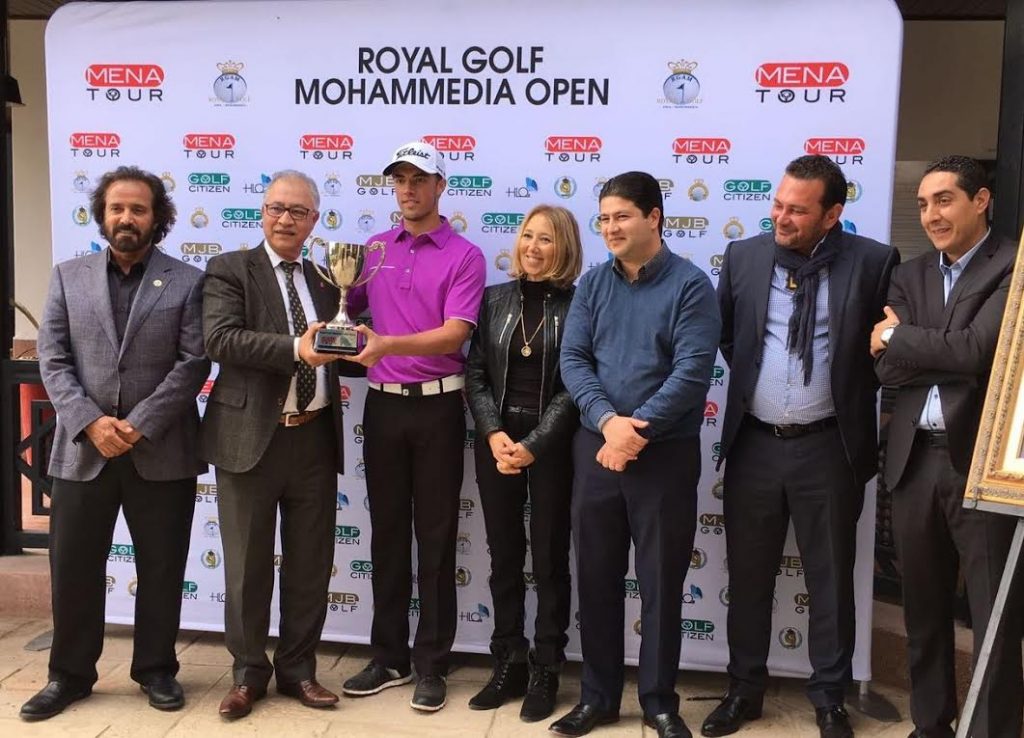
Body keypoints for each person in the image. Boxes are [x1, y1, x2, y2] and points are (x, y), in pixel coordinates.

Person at [705, 155, 898, 738]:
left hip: (829, 448)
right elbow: (729, 336)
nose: (781, 217)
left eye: (797, 209)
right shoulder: (744, 257)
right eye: (778, 204)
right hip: (756, 445)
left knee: (831, 579)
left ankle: (829, 698)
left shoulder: (873, 262)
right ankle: (744, 691)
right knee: (750, 576)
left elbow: (884, 346)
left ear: (833, 213)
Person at [24, 166, 209, 721]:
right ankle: (70, 675)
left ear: (159, 218)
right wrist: (91, 422)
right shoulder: (67, 276)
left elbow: (193, 361)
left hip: (159, 450)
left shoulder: (186, 280)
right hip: (83, 450)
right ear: (102, 214)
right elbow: (51, 357)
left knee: (161, 566)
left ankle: (156, 670)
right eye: (117, 209)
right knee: (75, 568)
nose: (127, 218)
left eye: (139, 209)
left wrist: (138, 424)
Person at [555, 171, 720, 738]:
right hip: (595, 452)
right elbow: (574, 361)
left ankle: (658, 701)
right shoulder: (593, 285)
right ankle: (598, 698)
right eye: (603, 218)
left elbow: (693, 371)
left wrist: (634, 432)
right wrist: (608, 424)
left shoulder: (692, 285)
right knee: (596, 579)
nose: (610, 228)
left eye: (621, 216)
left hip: (664, 458)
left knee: (659, 583)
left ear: (654, 217)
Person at [872, 155, 1023, 738]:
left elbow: (976, 353)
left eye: (943, 200)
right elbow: (886, 373)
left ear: (980, 200)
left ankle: (990, 731)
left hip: (980, 466)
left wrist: (897, 337)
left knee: (993, 615)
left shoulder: (1012, 266)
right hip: (913, 463)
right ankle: (931, 724)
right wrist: (913, 350)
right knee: (924, 610)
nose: (930, 214)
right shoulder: (908, 275)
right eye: (922, 204)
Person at [200, 170, 356, 719]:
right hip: (249, 440)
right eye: (277, 208)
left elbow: (340, 343)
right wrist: (296, 348)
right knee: (245, 566)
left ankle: (298, 670)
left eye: (299, 211)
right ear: (262, 212)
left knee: (312, 563)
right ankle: (247, 675)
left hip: (313, 439)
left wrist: (361, 347)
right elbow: (220, 339)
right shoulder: (228, 269)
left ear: (315, 220)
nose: (286, 219)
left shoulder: (324, 277)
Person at [340, 141, 486, 712]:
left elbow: (455, 335)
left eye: (418, 179)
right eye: (399, 179)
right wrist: (341, 327)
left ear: (440, 186)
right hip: (382, 407)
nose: (407, 189)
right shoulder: (372, 249)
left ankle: (432, 663)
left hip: (438, 409)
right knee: (387, 536)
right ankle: (389, 658)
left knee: (436, 538)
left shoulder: (465, 255)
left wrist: (386, 344)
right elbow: (344, 310)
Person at [464, 204, 583, 722]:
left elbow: (575, 384)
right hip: (497, 444)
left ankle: (547, 666)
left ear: (566, 249)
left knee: (551, 558)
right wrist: (493, 433)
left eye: (547, 240)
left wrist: (534, 442)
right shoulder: (493, 300)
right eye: (527, 236)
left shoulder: (582, 306)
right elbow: (475, 375)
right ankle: (507, 660)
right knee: (504, 557)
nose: (533, 248)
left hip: (552, 446)